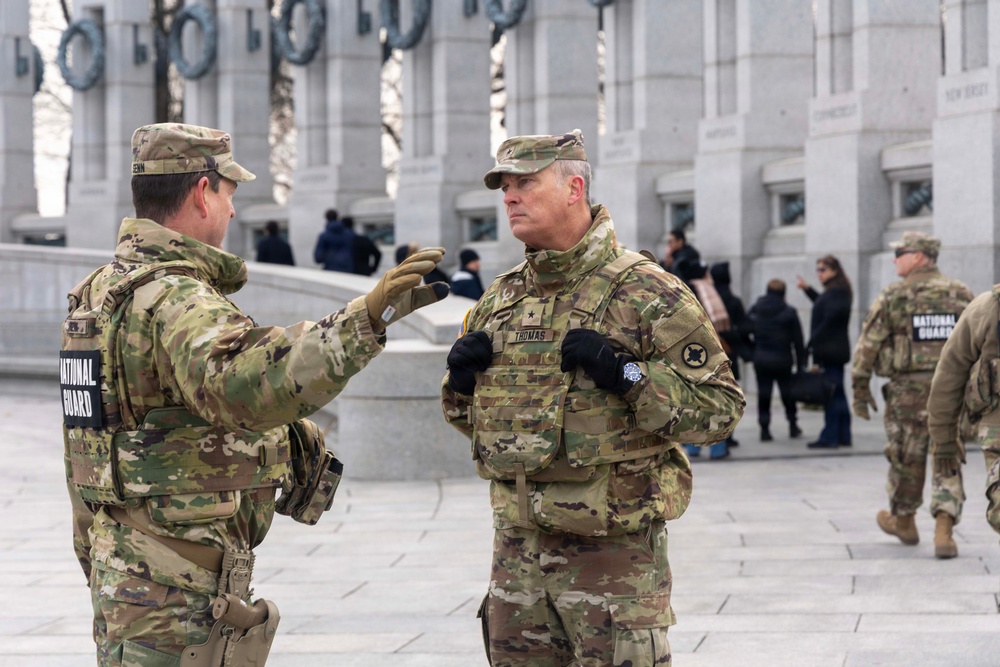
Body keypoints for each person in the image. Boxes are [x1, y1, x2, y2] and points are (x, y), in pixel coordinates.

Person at [61, 122, 449, 666]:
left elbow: (84, 452)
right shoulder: (177, 297)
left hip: (129, 576)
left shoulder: (97, 294)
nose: (234, 211)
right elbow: (247, 383)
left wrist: (103, 564)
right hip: (179, 594)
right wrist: (362, 321)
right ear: (203, 192)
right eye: (229, 193)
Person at [441, 129, 745, 666]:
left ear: (573, 187)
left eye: (526, 183)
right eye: (505, 186)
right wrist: (462, 386)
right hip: (518, 562)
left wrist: (628, 375)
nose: (509, 197)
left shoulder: (647, 291)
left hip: (613, 565)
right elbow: (479, 422)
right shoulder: (501, 298)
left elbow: (720, 409)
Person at [852, 231, 973, 552]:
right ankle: (943, 532)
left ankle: (904, 521)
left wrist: (860, 388)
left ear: (919, 256)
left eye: (901, 252)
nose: (895, 259)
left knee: (906, 456)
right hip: (953, 391)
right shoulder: (961, 294)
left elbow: (868, 345)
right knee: (947, 454)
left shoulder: (894, 296)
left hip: (908, 392)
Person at [927, 284, 1000, 557]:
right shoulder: (987, 308)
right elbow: (950, 374)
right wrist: (944, 438)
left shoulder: (984, 307)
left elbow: (949, 373)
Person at [676, 258, 734, 460]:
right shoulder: (707, 290)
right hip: (708, 351)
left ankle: (693, 446)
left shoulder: (677, 288)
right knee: (716, 400)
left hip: (685, 351)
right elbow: (718, 323)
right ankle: (718, 447)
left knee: (693, 400)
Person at [796, 254, 853, 449]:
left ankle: (830, 437)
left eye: (823, 270)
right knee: (838, 393)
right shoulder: (835, 291)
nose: (819, 274)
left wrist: (811, 342)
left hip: (831, 351)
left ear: (834, 271)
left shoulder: (837, 292)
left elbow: (829, 317)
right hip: (833, 350)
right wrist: (808, 290)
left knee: (832, 395)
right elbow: (823, 304)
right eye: (818, 270)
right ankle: (843, 434)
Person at [748, 279, 806, 441]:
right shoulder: (789, 311)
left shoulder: (756, 309)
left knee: (764, 394)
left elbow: (744, 328)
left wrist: (752, 350)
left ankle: (764, 429)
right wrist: (801, 363)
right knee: (788, 393)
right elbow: (798, 340)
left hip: (761, 359)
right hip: (783, 359)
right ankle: (793, 425)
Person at [313, 208, 356, 272]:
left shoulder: (324, 236)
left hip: (330, 270)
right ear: (337, 217)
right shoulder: (349, 235)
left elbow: (318, 258)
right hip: (348, 270)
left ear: (326, 218)